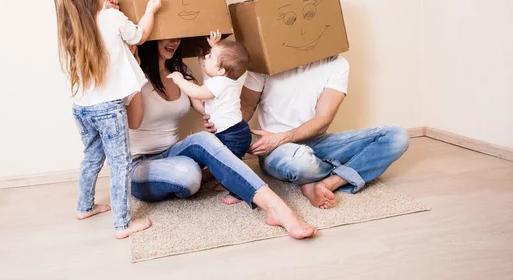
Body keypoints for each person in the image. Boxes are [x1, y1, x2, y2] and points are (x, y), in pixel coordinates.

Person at [126, 38, 316, 239]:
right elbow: (134, 122)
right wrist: (133, 71)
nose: (174, 40)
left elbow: (203, 105)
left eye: (178, 35)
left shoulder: (180, 70)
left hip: (173, 153)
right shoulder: (133, 74)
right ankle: (216, 174)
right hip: (139, 163)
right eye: (167, 35)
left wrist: (211, 117)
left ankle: (276, 208)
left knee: (202, 142)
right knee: (187, 176)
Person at [206, 54, 410, 209]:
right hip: (277, 151)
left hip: (317, 141)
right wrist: (224, 123)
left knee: (396, 136)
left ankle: (329, 182)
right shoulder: (265, 61)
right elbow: (246, 108)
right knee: (300, 162)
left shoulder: (337, 63)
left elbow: (323, 120)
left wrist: (282, 138)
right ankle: (333, 171)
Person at [52, 0, 161, 238]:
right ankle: (123, 224)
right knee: (120, 163)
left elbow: (99, 35)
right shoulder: (111, 19)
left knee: (92, 156)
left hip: (82, 108)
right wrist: (151, 9)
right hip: (108, 110)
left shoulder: (68, 25)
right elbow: (139, 36)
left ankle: (84, 206)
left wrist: (108, 8)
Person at [166, 30, 251, 204]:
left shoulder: (220, 83)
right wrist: (212, 49)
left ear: (220, 69)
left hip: (231, 134)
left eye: (210, 56)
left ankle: (239, 192)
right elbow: (209, 77)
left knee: (228, 165)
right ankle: (227, 182)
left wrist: (180, 79)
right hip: (236, 130)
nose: (206, 57)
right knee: (226, 161)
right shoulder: (225, 80)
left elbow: (198, 92)